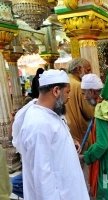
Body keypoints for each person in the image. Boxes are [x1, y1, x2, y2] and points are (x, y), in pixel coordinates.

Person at [12, 69, 89, 200]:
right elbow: (42, 177)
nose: (69, 97)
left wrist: (70, 143)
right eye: (67, 92)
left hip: (69, 189)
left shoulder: (49, 113)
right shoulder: (38, 124)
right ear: (56, 91)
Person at [80, 73, 104, 198]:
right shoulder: (103, 106)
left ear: (93, 92)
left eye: (84, 93)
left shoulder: (103, 110)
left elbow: (102, 145)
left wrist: (86, 157)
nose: (84, 97)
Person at [65, 58, 94, 146]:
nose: (89, 73)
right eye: (88, 70)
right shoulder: (78, 85)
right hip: (80, 135)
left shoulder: (64, 82)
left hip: (68, 133)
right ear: (78, 69)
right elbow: (90, 113)